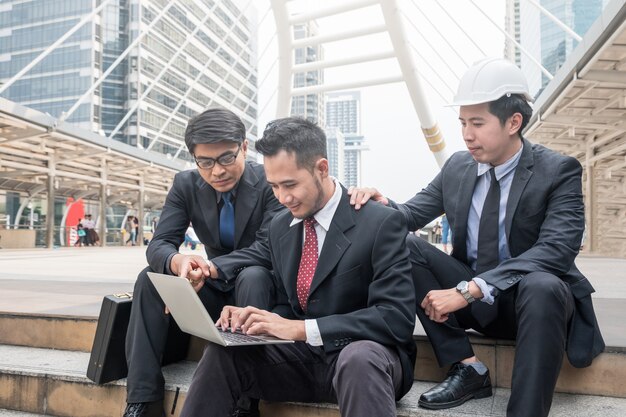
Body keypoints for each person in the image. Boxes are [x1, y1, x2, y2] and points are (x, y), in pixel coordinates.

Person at [348, 57, 604, 417]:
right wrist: (379, 203)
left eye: (478, 123)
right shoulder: (457, 166)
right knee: (403, 245)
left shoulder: (557, 171)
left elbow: (556, 250)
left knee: (543, 284)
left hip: (532, 307)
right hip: (474, 303)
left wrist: (470, 289)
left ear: (514, 122)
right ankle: (467, 366)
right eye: (463, 122)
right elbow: (408, 214)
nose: (467, 134)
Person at [180, 117, 416, 417]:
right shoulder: (281, 226)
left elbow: (395, 319)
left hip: (367, 362)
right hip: (304, 360)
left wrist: (302, 329)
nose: (283, 197)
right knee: (224, 352)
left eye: (290, 184)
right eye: (274, 186)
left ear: (322, 169)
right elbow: (288, 305)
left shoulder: (380, 222)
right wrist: (254, 320)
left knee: (359, 358)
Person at [123, 108, 285, 417]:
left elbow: (269, 248)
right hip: (212, 290)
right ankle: (142, 400)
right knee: (150, 277)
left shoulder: (269, 183)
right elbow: (159, 244)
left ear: (245, 147)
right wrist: (179, 261)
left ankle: (245, 402)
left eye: (226, 158)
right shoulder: (185, 184)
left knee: (254, 275)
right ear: (195, 159)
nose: (217, 171)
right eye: (205, 162)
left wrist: (211, 267)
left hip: (261, 292)